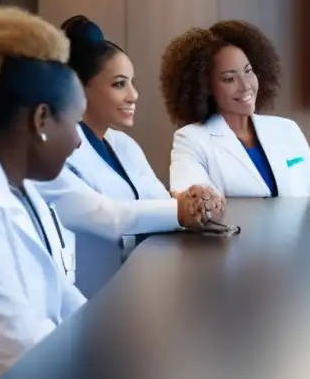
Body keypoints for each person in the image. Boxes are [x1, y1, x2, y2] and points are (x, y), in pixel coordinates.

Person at [34, 16, 224, 298]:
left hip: (142, 291)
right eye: (119, 84)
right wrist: (182, 210)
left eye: (132, 83)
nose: (133, 95)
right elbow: (109, 217)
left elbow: (162, 202)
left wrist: (195, 199)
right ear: (78, 89)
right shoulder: (53, 152)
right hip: (91, 303)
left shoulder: (122, 144)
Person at [0, 7, 87, 379]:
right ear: (41, 119)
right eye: (76, 123)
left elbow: (62, 295)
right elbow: (17, 347)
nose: (78, 142)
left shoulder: (21, 187)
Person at [161, 20, 310, 197]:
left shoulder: (287, 129)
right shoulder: (191, 139)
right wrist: (200, 202)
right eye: (229, 79)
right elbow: (192, 201)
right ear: (206, 87)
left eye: (248, 71)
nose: (245, 85)